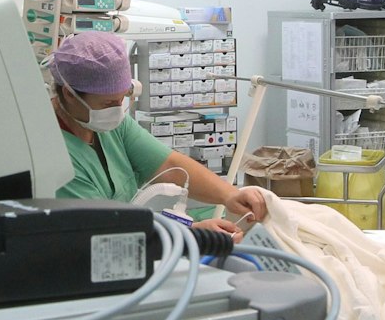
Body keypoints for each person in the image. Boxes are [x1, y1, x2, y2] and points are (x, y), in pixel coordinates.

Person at [47, 32, 266, 239]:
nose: (117, 109)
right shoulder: (52, 154)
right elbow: (101, 231)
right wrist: (189, 234)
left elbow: (169, 165)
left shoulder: (112, 126)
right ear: (70, 93)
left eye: (122, 98)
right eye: (107, 103)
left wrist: (230, 196)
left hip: (133, 239)